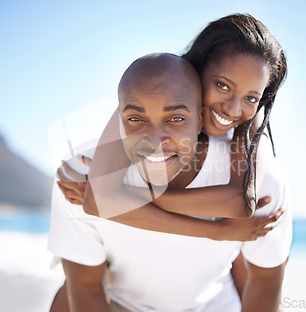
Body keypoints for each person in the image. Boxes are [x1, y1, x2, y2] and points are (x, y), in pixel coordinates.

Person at [49, 53, 291, 311]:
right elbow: (85, 287)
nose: (154, 140)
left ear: (200, 118)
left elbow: (264, 279)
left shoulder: (262, 182)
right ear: (119, 121)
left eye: (175, 119)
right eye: (136, 119)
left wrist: (121, 195)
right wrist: (218, 232)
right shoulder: (79, 176)